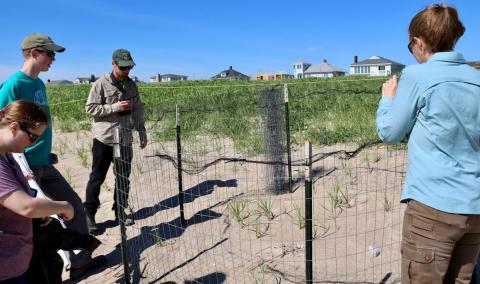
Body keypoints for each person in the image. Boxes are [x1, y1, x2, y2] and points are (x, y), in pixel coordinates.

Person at [376, 4, 480, 283]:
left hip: (433, 207)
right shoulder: (477, 79)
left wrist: (388, 98)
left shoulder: (417, 76)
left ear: (419, 42)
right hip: (474, 209)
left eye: (410, 45)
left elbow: (390, 132)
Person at [0, 33, 105, 279]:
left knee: (74, 207)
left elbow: (37, 128)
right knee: (36, 224)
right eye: (49, 53)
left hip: (44, 162)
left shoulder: (39, 85)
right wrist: (19, 164)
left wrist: (47, 150)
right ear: (34, 53)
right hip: (23, 167)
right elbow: (5, 127)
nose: (53, 59)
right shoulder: (13, 85)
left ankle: (80, 261)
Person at [0, 100, 74, 283]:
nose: (33, 143)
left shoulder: (7, 154)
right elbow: (27, 207)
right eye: (32, 137)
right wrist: (63, 206)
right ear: (14, 127)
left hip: (16, 259)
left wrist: (39, 214)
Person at [84, 48, 147, 235]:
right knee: (97, 177)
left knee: (123, 177)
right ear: (113, 64)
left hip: (125, 138)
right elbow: (90, 108)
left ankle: (119, 211)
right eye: (123, 67)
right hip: (104, 138)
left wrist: (141, 130)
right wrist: (114, 107)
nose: (127, 71)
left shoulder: (131, 85)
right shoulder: (100, 84)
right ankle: (89, 214)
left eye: (129, 67)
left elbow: (137, 109)